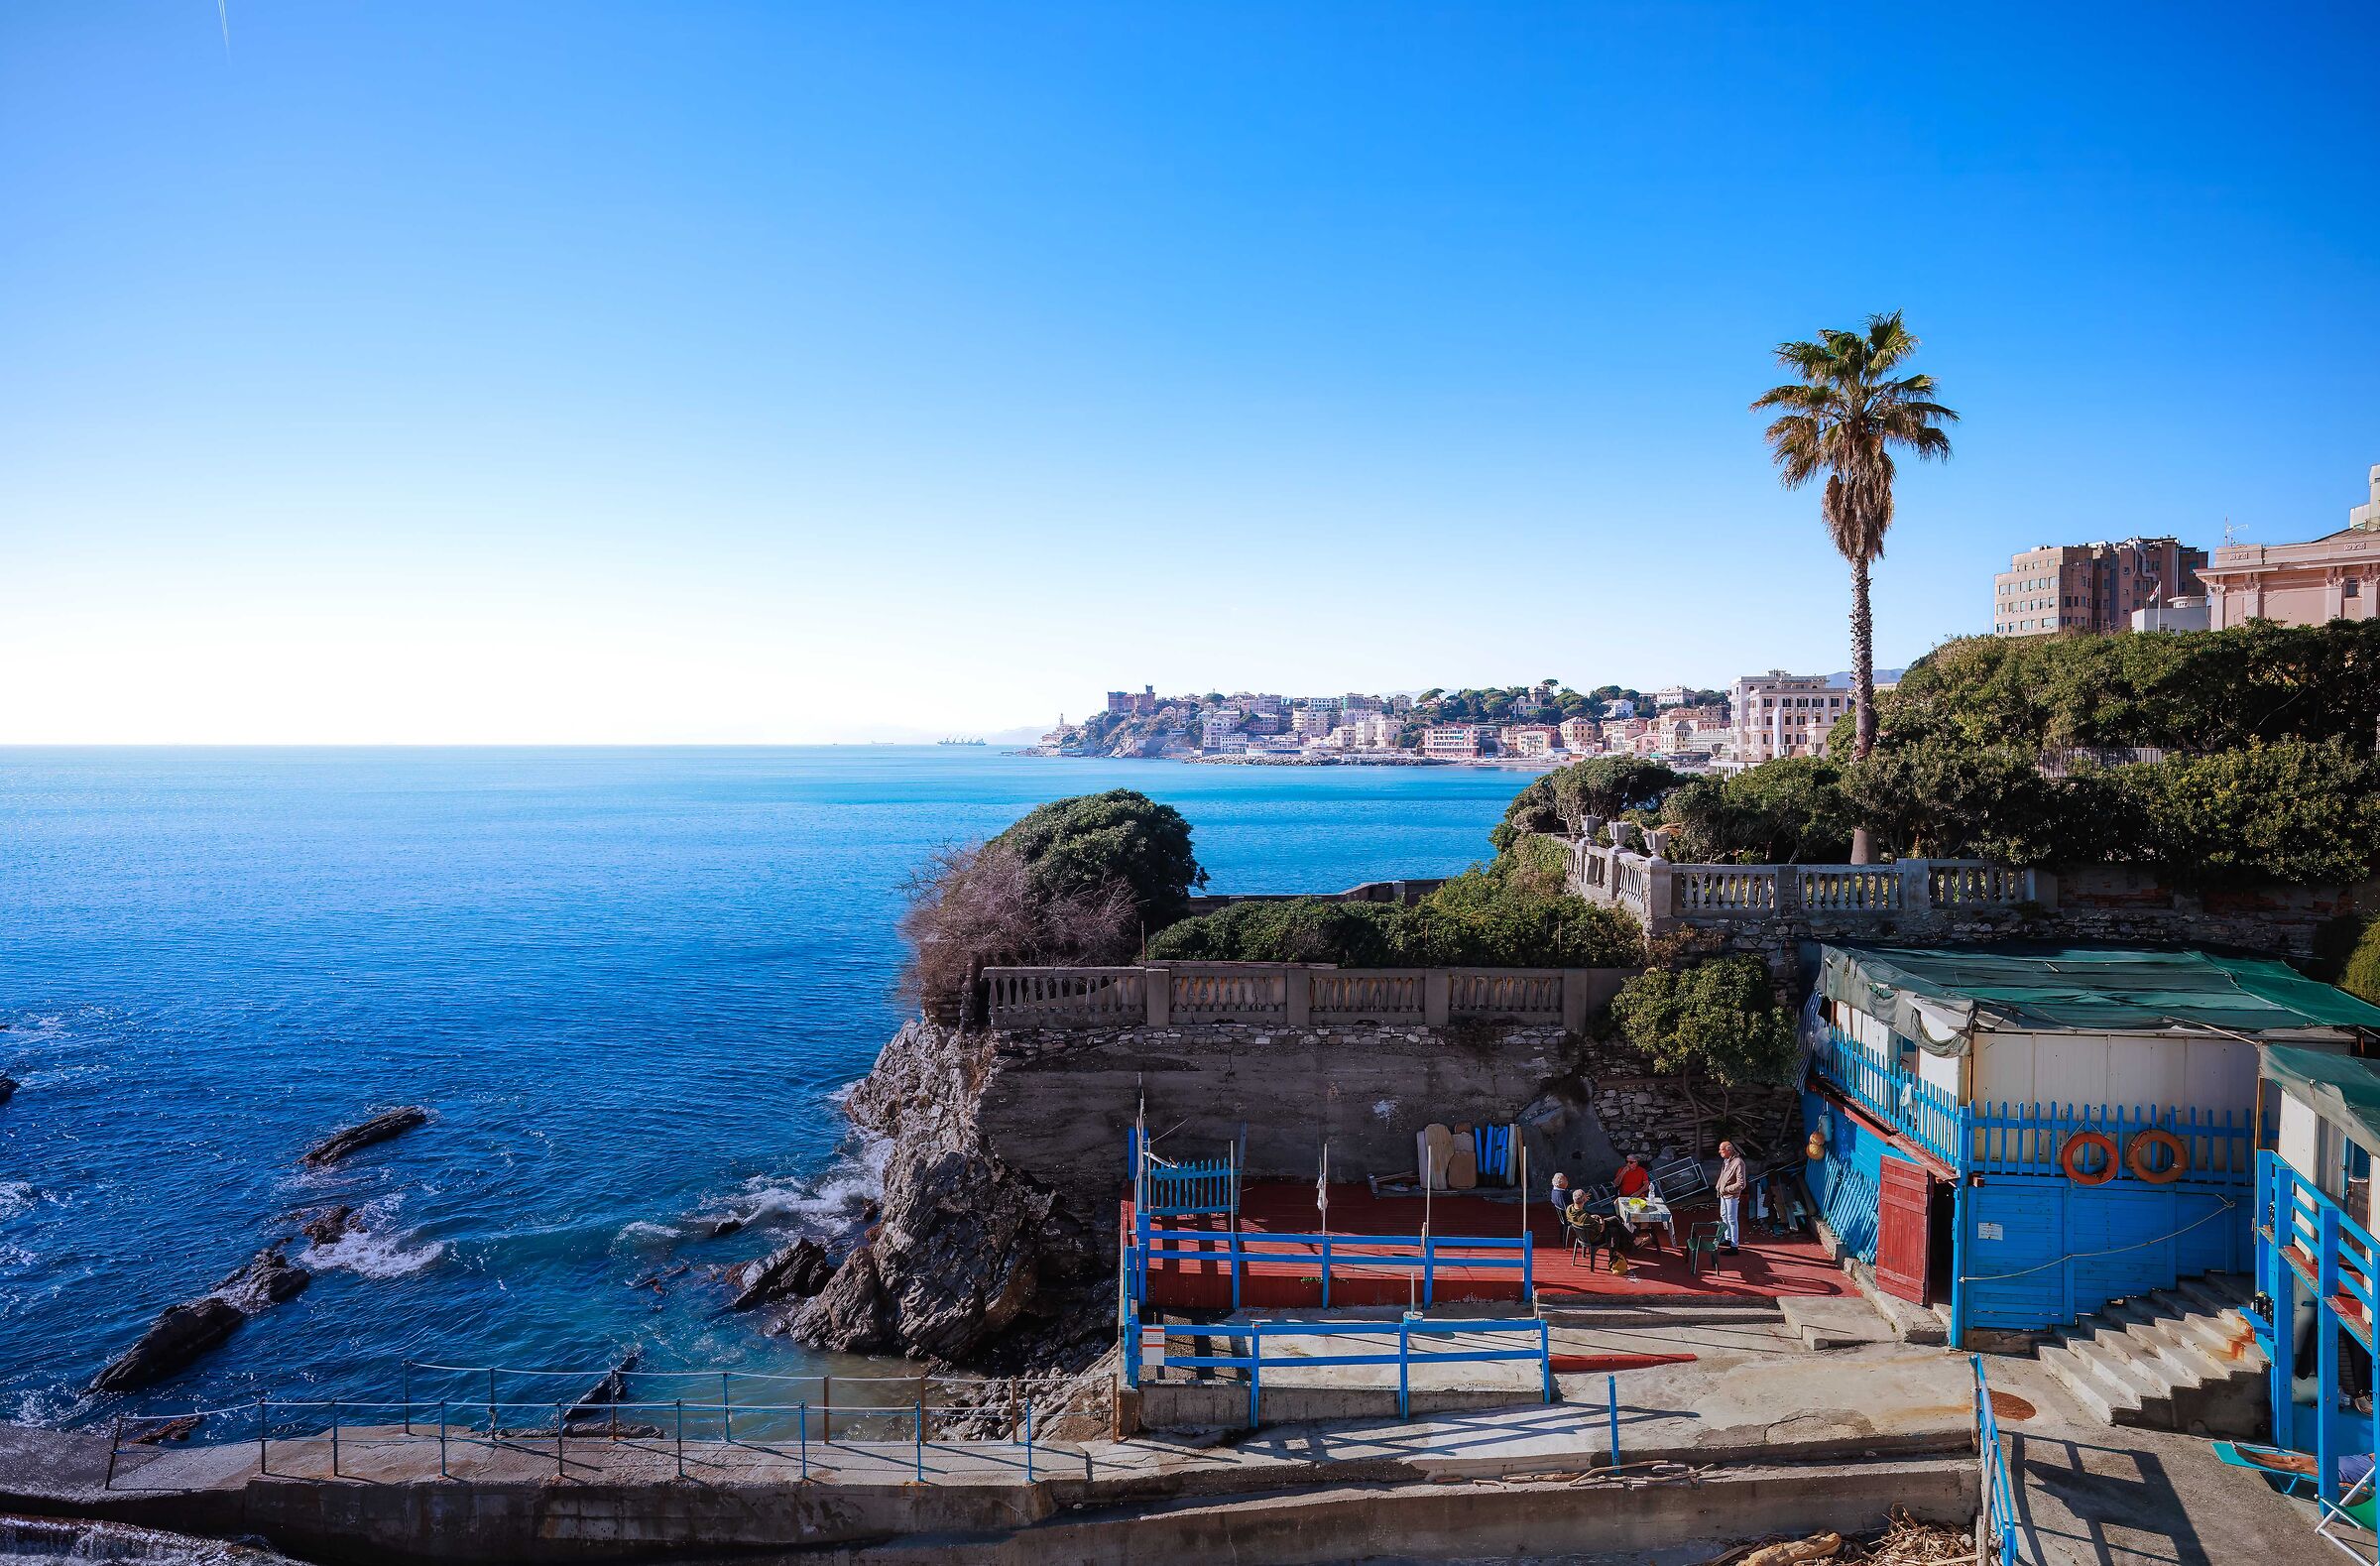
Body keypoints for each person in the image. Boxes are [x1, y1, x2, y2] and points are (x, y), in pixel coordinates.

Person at [1716, 1141, 1748, 1252]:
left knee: (1732, 1219)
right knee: (1724, 1216)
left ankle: (1734, 1245)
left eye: (1721, 1150)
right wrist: (1719, 1186)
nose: (1719, 1152)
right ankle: (1727, 1237)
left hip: (1731, 1196)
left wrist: (1725, 1189)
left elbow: (1741, 1184)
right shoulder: (1726, 1161)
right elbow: (1723, 1174)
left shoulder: (1738, 1163)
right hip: (1723, 1194)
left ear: (1728, 1150)